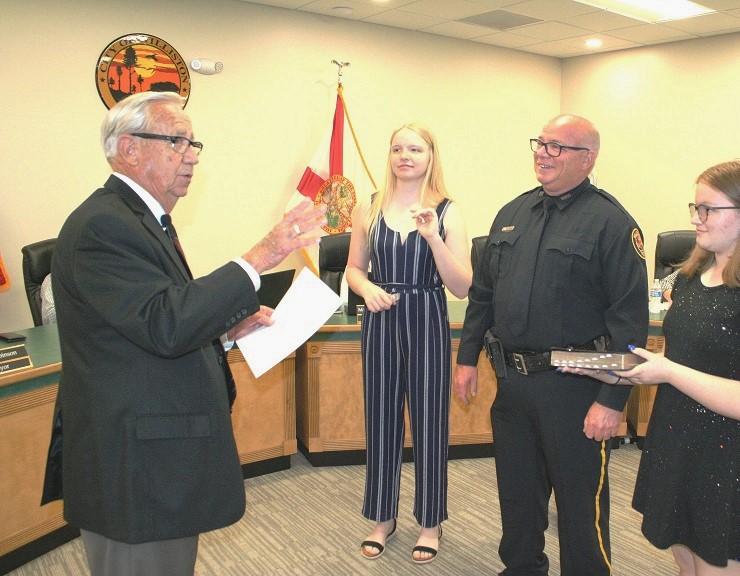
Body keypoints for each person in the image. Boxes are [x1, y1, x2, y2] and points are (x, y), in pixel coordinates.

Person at [41, 90, 326, 576]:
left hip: (156, 458)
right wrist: (262, 254)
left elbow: (154, 326)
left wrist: (226, 333)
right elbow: (165, 323)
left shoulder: (142, 220)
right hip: (134, 468)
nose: (192, 155)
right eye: (177, 141)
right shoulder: (102, 226)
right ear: (128, 149)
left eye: (194, 143)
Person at [565, 160, 740, 575]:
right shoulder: (694, 276)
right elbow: (684, 361)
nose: (696, 219)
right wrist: (614, 370)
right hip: (678, 436)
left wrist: (667, 372)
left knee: (714, 565)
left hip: (729, 451)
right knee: (684, 560)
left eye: (708, 209)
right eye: (694, 207)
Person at [454, 114, 649, 576]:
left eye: (557, 146)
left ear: (588, 159)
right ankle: (521, 568)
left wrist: (612, 400)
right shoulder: (511, 213)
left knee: (580, 502)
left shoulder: (611, 222)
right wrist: (465, 360)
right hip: (513, 383)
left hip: (576, 385)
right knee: (517, 493)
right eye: (540, 143)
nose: (543, 152)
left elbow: (628, 321)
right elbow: (483, 295)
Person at [346, 122, 471, 564]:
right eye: (397, 147)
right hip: (380, 320)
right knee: (380, 420)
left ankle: (430, 522)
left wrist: (433, 236)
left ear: (430, 155)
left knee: (429, 423)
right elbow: (353, 269)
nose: (405, 156)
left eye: (415, 148)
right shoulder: (370, 206)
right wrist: (366, 290)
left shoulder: (447, 210)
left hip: (426, 316)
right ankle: (382, 518)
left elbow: (462, 285)